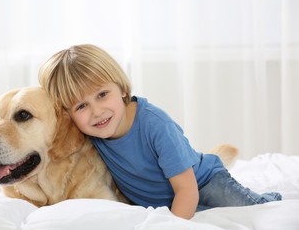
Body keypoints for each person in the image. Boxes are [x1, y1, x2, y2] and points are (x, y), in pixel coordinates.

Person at [38, 44, 282, 219]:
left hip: (203, 181)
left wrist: (173, 227)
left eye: (102, 94)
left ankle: (272, 199)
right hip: (161, 201)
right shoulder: (88, 133)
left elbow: (186, 189)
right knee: (215, 217)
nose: (97, 111)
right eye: (81, 106)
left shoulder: (155, 125)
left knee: (250, 209)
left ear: (122, 89)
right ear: (68, 113)